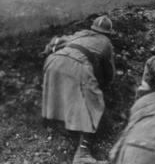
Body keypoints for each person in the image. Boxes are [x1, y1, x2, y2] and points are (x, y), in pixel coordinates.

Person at [42, 15, 116, 164]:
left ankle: (61, 124)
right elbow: (109, 73)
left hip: (53, 61)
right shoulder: (106, 43)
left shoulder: (80, 34)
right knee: (94, 104)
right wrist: (104, 87)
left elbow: (55, 41)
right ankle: (82, 153)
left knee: (66, 92)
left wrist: (47, 52)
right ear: (108, 33)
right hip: (77, 66)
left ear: (93, 28)